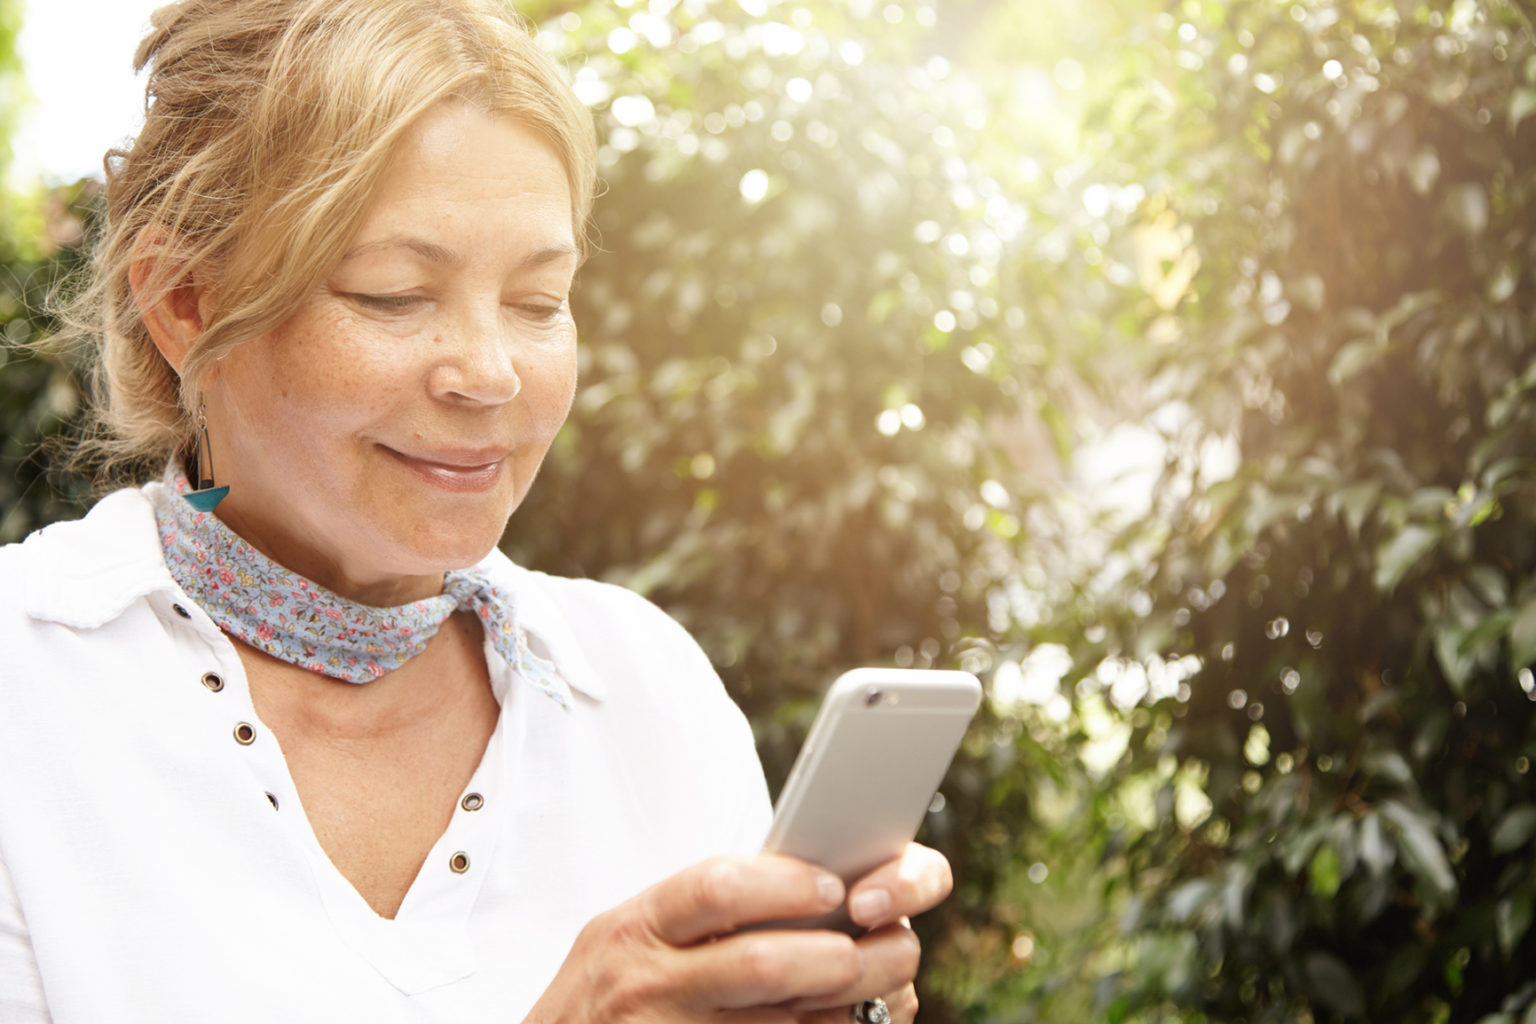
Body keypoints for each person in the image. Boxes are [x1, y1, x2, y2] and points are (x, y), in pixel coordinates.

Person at [0, 1, 954, 1021]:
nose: (491, 374)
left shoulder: (645, 688)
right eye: (393, 294)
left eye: (540, 302)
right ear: (183, 303)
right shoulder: (29, 686)